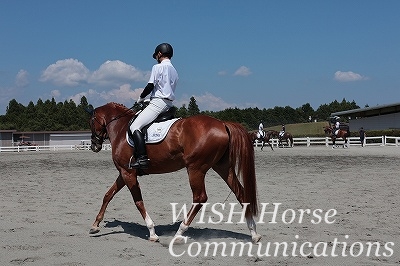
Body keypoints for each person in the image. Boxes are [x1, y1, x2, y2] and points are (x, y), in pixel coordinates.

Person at [128, 43, 178, 169]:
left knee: (135, 126)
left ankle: (142, 159)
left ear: (159, 54)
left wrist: (141, 98)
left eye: (156, 55)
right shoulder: (174, 71)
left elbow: (150, 86)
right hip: (169, 104)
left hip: (158, 103)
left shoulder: (158, 67)